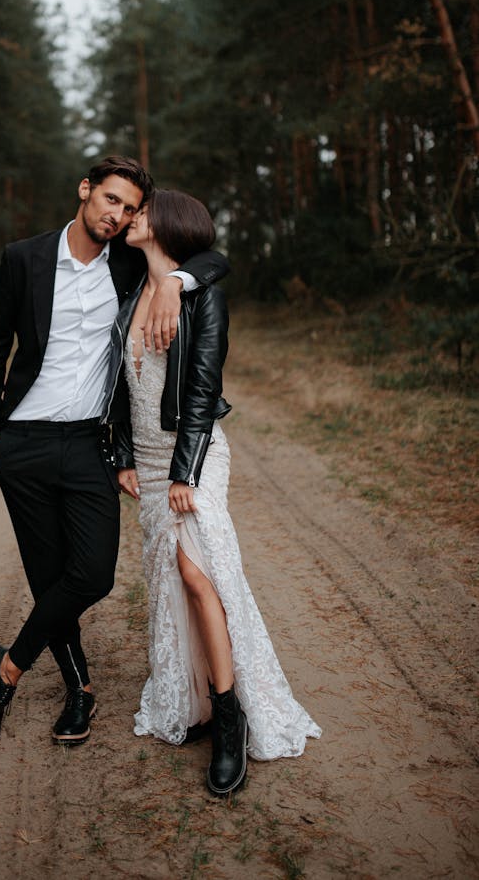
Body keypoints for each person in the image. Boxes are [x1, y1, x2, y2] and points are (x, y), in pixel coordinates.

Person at [0, 157, 228, 746]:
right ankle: (80, 690)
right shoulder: (24, 258)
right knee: (48, 576)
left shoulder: (130, 265)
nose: (118, 216)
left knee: (91, 575)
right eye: (111, 200)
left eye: (131, 208)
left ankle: (6, 666)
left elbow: (210, 257)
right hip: (23, 444)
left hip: (92, 443)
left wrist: (174, 281)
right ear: (86, 191)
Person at [106, 189, 321, 796]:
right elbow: (121, 388)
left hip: (192, 458)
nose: (130, 218)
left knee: (201, 573)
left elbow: (200, 389)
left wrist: (185, 471)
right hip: (144, 464)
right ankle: (198, 701)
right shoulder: (130, 291)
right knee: (173, 581)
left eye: (141, 213)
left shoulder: (204, 298)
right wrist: (123, 457)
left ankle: (231, 717)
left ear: (167, 224)